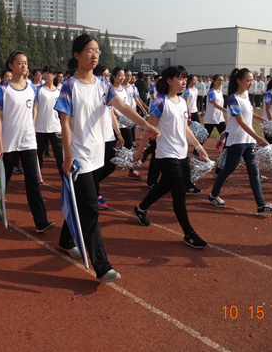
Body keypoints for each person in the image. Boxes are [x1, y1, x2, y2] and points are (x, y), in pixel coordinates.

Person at [55, 34, 159, 282]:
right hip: (78, 157)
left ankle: (65, 239)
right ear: (77, 55)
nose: (94, 55)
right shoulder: (70, 86)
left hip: (96, 155)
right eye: (89, 51)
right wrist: (68, 155)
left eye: (97, 51)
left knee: (83, 204)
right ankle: (102, 266)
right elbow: (65, 124)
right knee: (91, 208)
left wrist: (144, 125)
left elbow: (123, 107)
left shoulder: (103, 86)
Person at [131, 65, 208, 248]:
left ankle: (140, 209)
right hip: (166, 155)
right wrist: (140, 152)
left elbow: (185, 128)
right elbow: (147, 129)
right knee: (179, 193)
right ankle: (188, 233)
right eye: (180, 78)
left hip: (182, 154)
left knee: (163, 186)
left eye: (185, 78)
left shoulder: (182, 102)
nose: (184, 82)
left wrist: (198, 146)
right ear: (169, 81)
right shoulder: (159, 102)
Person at [0, 51, 55, 233]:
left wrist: (32, 125)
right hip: (9, 142)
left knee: (32, 182)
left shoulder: (33, 89)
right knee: (5, 178)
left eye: (26, 63)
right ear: (11, 65)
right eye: (20, 63)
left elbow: (34, 107)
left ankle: (41, 221)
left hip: (28, 141)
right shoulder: (3, 89)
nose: (24, 66)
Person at [207, 68, 272, 215]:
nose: (251, 83)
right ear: (239, 81)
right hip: (236, 141)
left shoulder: (245, 95)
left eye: (252, 80)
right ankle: (213, 195)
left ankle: (261, 205)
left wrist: (260, 119)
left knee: (254, 172)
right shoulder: (233, 99)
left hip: (249, 141)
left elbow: (248, 114)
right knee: (228, 170)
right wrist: (258, 137)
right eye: (248, 80)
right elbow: (240, 121)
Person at [93, 65, 123, 210]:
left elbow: (111, 113)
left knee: (110, 164)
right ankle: (95, 194)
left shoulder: (108, 90)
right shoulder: (92, 91)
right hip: (96, 136)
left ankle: (91, 186)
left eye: (107, 75)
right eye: (103, 75)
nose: (106, 78)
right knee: (97, 166)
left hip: (109, 135)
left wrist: (118, 133)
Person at [111, 67, 141, 180]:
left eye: (123, 75)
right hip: (114, 123)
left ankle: (131, 169)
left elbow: (127, 106)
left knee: (129, 146)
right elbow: (111, 107)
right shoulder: (111, 90)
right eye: (120, 75)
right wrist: (117, 116)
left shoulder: (124, 89)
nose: (122, 77)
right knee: (111, 146)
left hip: (125, 123)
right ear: (113, 77)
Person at [35, 65, 64, 180]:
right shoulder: (38, 90)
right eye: (44, 72)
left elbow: (62, 112)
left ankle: (64, 179)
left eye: (48, 73)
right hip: (40, 128)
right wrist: (32, 125)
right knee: (38, 155)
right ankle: (37, 176)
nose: (45, 75)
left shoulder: (59, 92)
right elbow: (35, 108)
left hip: (55, 127)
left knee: (60, 155)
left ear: (54, 75)